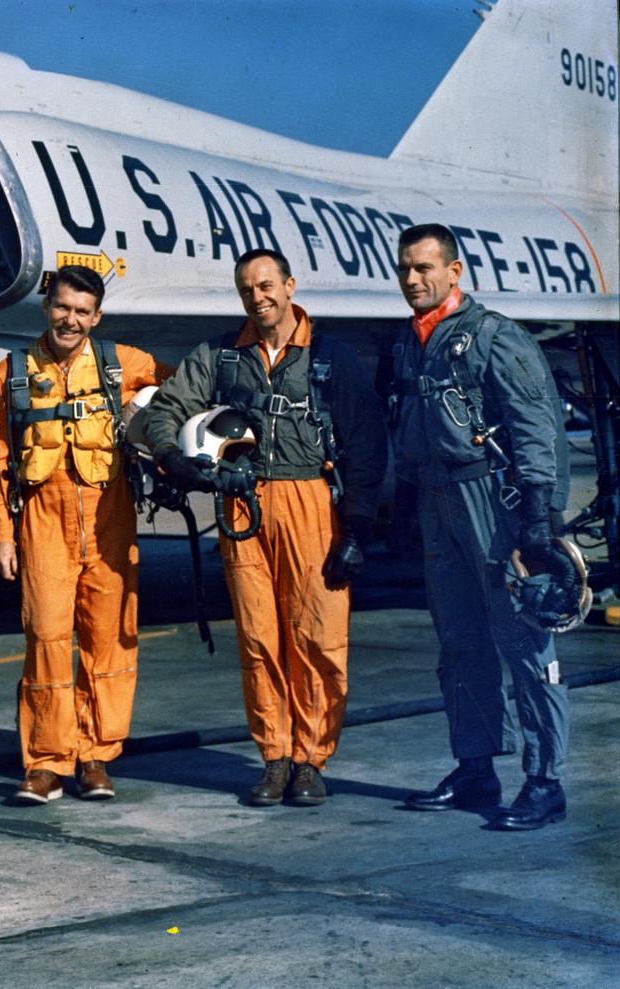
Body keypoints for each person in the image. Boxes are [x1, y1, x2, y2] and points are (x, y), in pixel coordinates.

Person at [143, 249, 387, 807]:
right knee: (259, 640)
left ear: (290, 286)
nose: (259, 297)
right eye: (248, 288)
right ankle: (275, 759)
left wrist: (357, 529)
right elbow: (164, 409)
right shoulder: (221, 356)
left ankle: (311, 760)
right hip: (244, 506)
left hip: (311, 504)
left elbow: (369, 444)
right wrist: (172, 456)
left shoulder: (329, 358)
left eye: (268, 285)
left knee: (319, 639)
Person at [391, 224, 570, 830]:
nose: (413, 280)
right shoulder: (410, 343)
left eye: (424, 268)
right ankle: (475, 768)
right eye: (405, 270)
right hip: (436, 500)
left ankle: (545, 780)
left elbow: (533, 426)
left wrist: (540, 519)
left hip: (491, 501)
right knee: (459, 644)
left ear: (454, 271)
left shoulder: (496, 337)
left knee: (523, 641)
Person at [0, 264, 170, 804]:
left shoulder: (123, 364)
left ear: (97, 316)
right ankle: (45, 763)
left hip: (110, 519)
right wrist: (1, 533)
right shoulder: (11, 374)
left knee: (106, 642)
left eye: (82, 311)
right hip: (44, 521)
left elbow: (184, 386)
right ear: (47, 307)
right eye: (63, 307)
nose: (71, 319)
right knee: (45, 637)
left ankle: (95, 757)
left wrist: (159, 432)